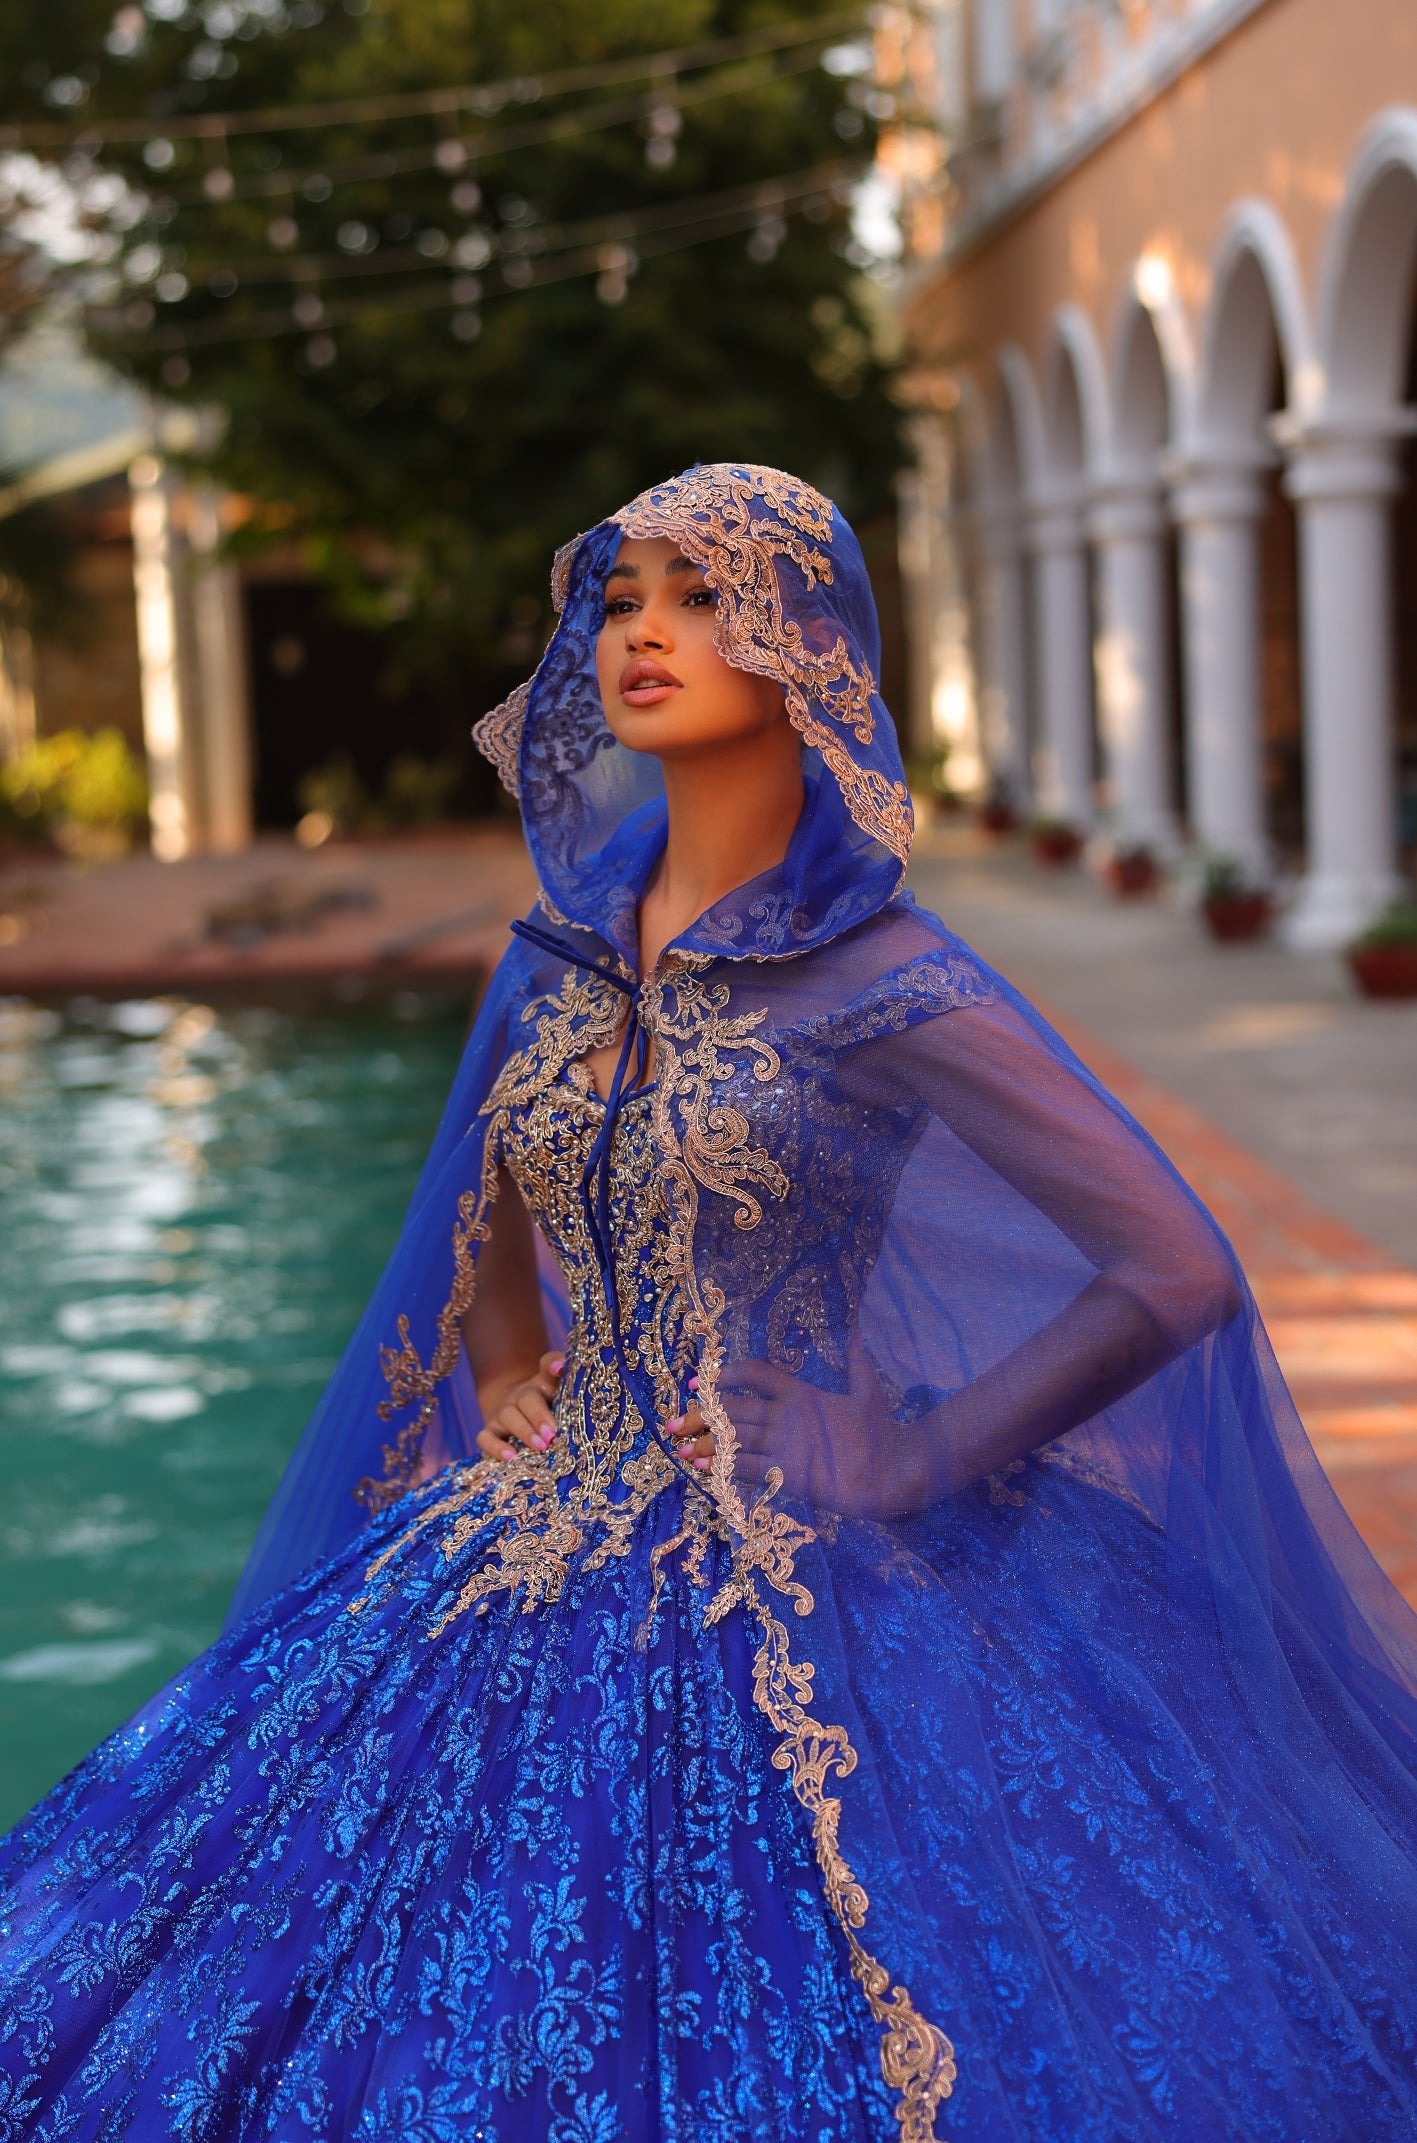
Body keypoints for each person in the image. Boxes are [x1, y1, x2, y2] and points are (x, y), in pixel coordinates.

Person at [2, 462, 1416, 2143]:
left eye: (702, 597)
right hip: (524, 1535)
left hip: (808, 1564)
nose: (643, 636)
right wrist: (512, 1360)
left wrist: (911, 1455)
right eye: (619, 602)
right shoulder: (560, 945)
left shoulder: (875, 972)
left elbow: (1173, 1265)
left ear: (806, 645)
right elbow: (484, 1193)